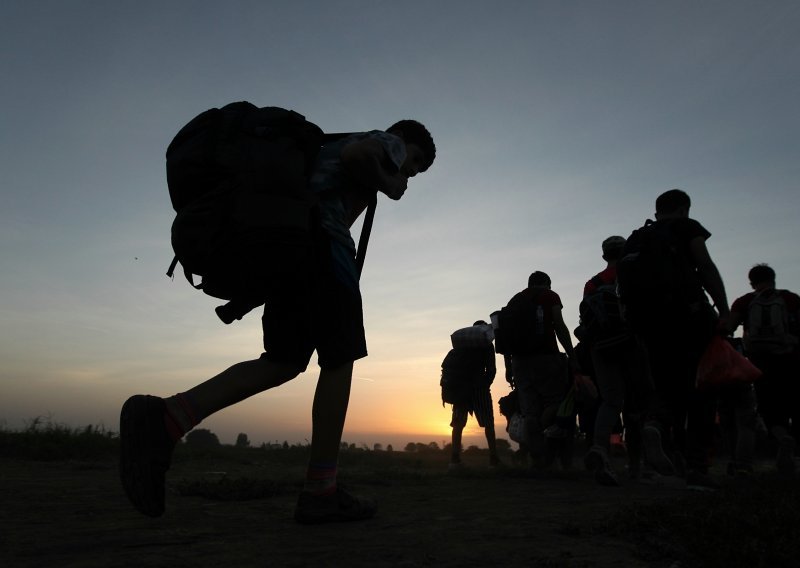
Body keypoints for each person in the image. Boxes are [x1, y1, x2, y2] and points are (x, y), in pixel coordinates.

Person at [120, 119, 436, 523]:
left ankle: (167, 417)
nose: (411, 172)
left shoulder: (328, 148)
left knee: (282, 362)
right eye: (416, 163)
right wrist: (390, 183)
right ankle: (321, 491)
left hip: (295, 251)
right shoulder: (386, 142)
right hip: (324, 251)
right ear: (406, 141)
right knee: (340, 360)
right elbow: (361, 158)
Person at [619, 189, 730, 489]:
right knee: (701, 389)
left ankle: (655, 424)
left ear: (657, 212)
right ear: (684, 209)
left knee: (667, 386)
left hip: (649, 325)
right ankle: (696, 466)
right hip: (690, 318)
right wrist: (724, 309)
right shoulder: (686, 228)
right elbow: (704, 265)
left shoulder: (638, 237)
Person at [579, 236, 652, 486]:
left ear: (604, 256)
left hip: (601, 348)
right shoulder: (636, 272)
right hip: (633, 343)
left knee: (610, 401)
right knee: (637, 404)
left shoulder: (593, 283)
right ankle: (635, 466)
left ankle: (600, 450)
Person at [726, 264, 800, 474]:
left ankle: (781, 437)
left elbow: (728, 328)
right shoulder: (791, 299)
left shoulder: (744, 301)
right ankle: (794, 454)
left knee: (769, 408)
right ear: (773, 278)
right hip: (792, 361)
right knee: (794, 406)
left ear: (751, 282)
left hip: (759, 364)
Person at [500, 271, 578, 469]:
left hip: (519, 362)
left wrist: (508, 368)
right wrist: (572, 354)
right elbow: (559, 324)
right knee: (557, 404)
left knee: (529, 411)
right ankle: (560, 458)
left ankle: (537, 461)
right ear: (547, 283)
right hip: (546, 357)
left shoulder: (515, 301)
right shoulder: (549, 296)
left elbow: (506, 337)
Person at [447, 321, 502, 470]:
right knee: (488, 424)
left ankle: (455, 460)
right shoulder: (487, 345)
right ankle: (493, 460)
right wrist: (484, 385)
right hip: (479, 388)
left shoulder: (462, 345)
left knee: (458, 424)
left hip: (460, 388)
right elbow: (491, 370)